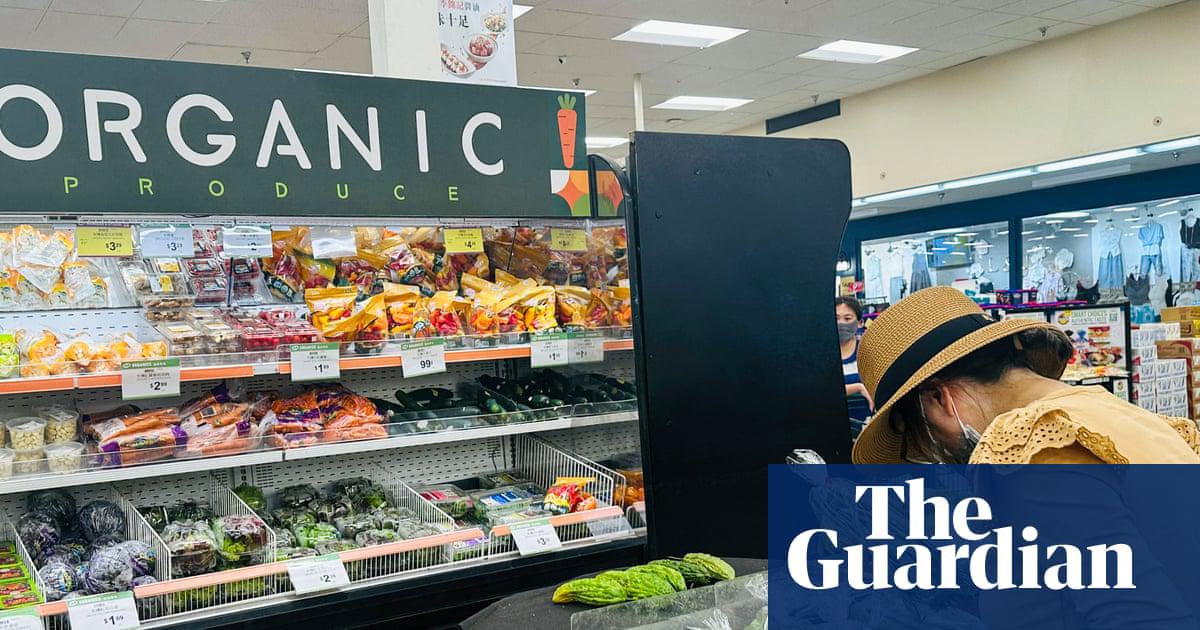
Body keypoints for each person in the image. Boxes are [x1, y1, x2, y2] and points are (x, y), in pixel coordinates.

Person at [852, 286, 1200, 464]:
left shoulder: (1030, 448)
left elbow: (1125, 603)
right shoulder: (1119, 415)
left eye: (931, 442)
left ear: (937, 397)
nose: (944, 453)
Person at [835, 297, 872, 436]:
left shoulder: (868, 353)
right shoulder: (822, 356)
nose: (841, 323)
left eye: (847, 318)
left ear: (860, 323)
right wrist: (858, 387)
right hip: (832, 429)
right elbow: (819, 393)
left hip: (866, 429)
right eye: (836, 318)